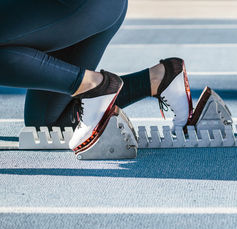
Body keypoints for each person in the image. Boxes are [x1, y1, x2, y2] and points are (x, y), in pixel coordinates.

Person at [0, 0, 193, 151]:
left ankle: (93, 87)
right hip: (102, 9)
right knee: (48, 123)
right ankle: (157, 80)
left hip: (75, 7)